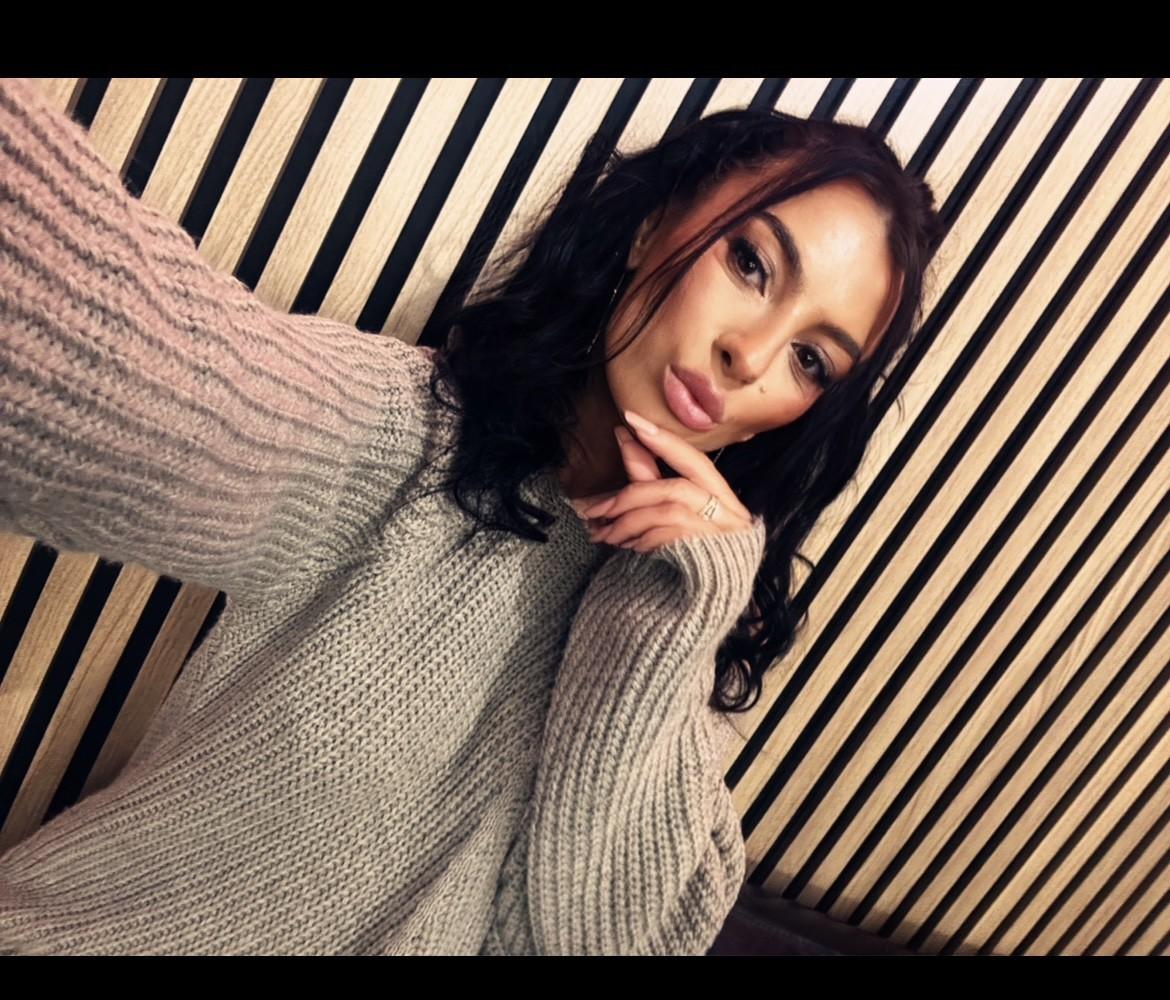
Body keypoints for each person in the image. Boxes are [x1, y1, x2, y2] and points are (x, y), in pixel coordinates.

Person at [0, 77, 943, 955]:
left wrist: (678, 615)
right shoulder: (404, 440)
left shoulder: (679, 615)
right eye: (750, 262)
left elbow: (621, 940)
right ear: (654, 226)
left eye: (812, 361)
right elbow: (128, 366)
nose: (753, 355)